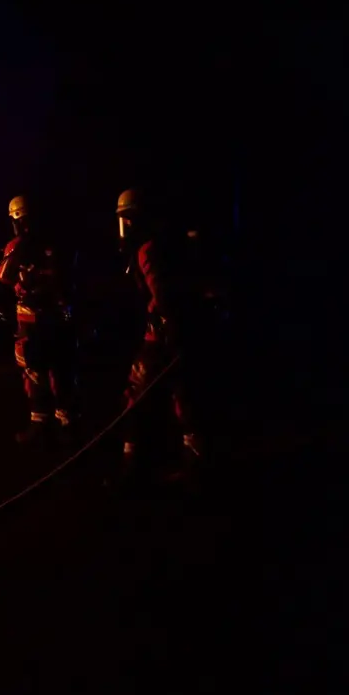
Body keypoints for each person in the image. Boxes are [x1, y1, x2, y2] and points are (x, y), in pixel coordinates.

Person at [114, 187, 219, 481]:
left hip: (162, 337)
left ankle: (131, 464)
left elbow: (163, 294)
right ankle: (195, 458)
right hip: (183, 333)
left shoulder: (148, 249)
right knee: (184, 395)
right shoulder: (170, 244)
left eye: (128, 220)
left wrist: (167, 327)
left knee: (135, 397)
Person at [0, 194, 78, 442]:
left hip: (31, 322)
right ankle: (68, 421)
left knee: (33, 371)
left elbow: (4, 277)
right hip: (59, 318)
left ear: (17, 220)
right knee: (61, 369)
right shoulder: (57, 243)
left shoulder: (16, 245)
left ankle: (40, 423)